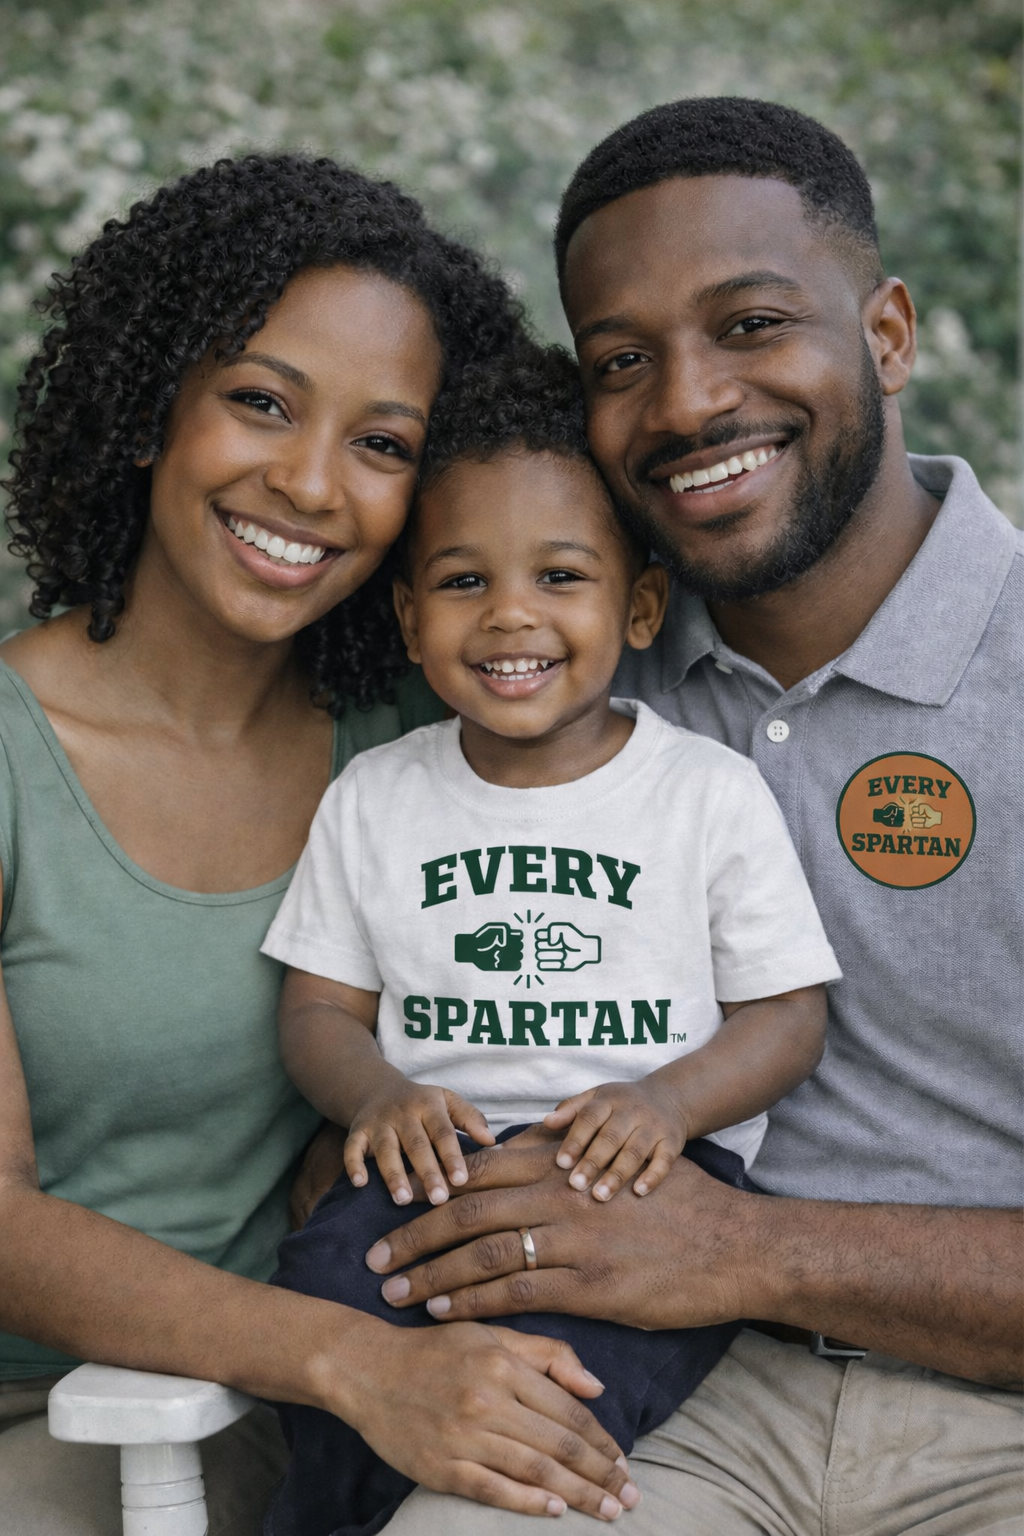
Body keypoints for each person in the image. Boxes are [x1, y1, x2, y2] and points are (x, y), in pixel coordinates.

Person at [356, 100, 1023, 1533]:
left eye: (750, 324)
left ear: (889, 335)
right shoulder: (565, 670)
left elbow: (725, 1243)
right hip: (659, 1402)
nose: (686, 403)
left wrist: (749, 1252)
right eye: (620, 361)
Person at [0, 153, 635, 1533]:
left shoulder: (426, 737)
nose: (309, 484)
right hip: (67, 1413)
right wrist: (362, 1366)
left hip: (315, 1394)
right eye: (260, 403)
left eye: (384, 445)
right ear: (148, 397)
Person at [259, 343, 842, 1534]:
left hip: (640, 1185)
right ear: (411, 615)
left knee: (559, 1379)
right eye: (464, 582)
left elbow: (788, 1016)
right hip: (427, 1170)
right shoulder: (376, 794)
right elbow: (318, 1010)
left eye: (560, 576)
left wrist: (669, 1105)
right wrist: (377, 1096)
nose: (511, 614)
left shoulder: (704, 793)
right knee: (322, 1296)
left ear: (637, 606)